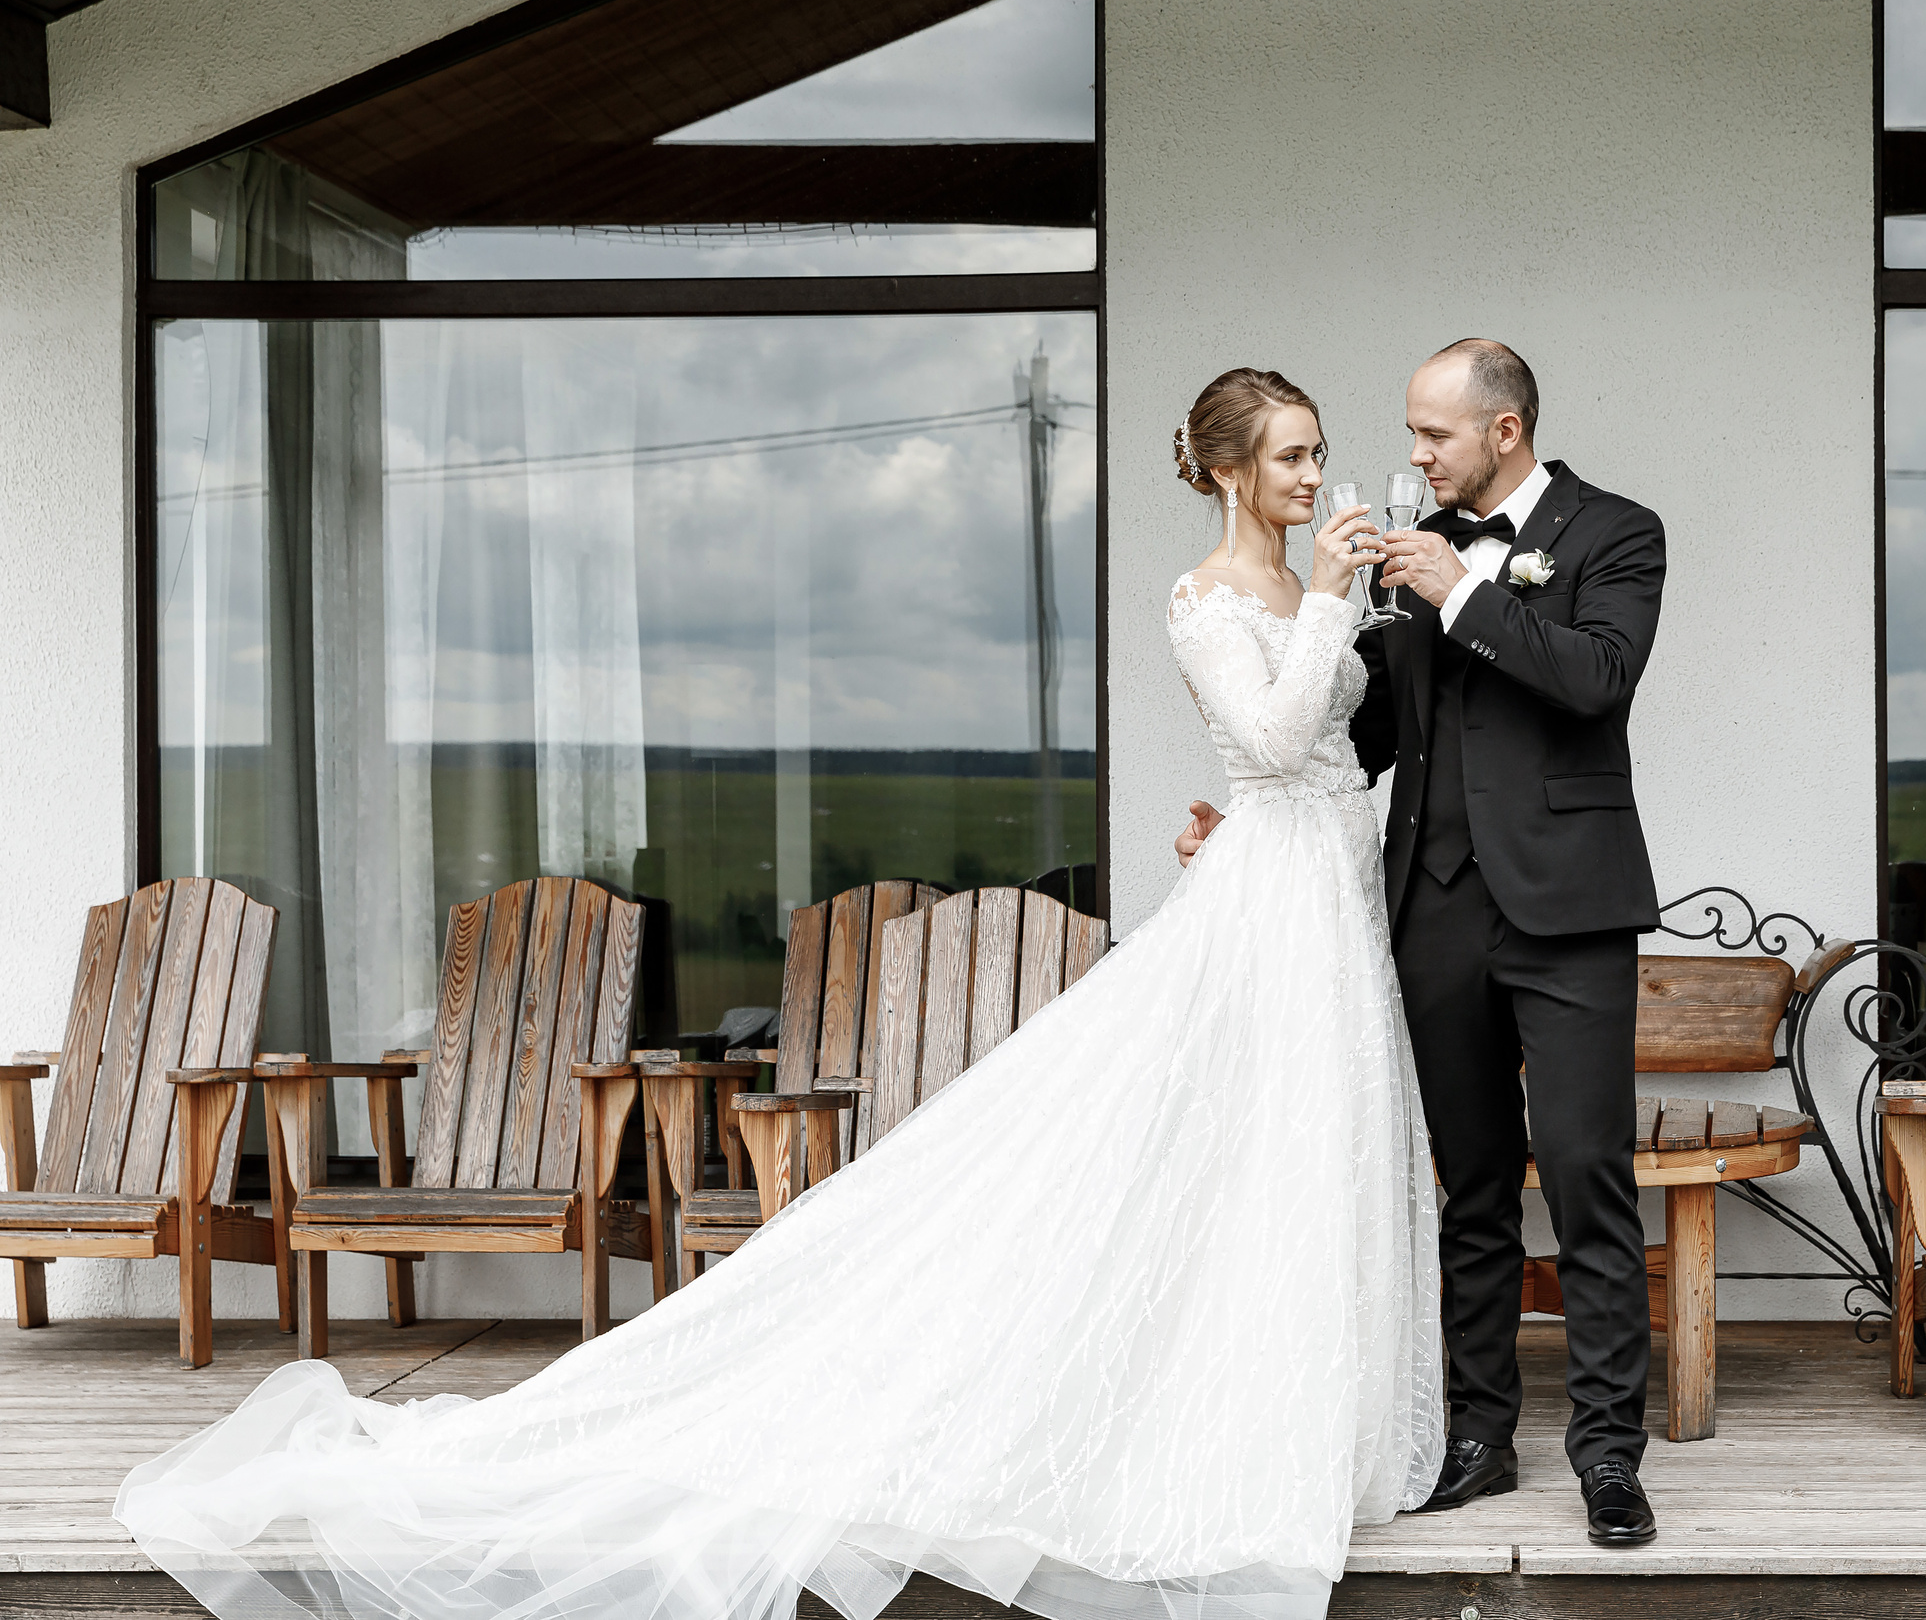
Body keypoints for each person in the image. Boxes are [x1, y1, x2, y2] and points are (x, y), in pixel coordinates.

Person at [114, 367, 1442, 1620]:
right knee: (1233, 1139)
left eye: (1317, 453)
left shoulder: (1311, 584)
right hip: (1272, 893)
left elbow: (1334, 743)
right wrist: (1330, 600)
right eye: (1289, 455)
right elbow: (1270, 740)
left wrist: (1356, 612)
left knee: (1307, 1146)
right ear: (1225, 469)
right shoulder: (1208, 593)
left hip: (1327, 883)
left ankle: (1304, 1418)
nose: (1313, 475)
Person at [1178, 340, 1666, 1546]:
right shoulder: (1406, 554)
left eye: (1431, 435)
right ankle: (1478, 1439)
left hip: (1569, 913)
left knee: (1591, 1184)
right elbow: (1364, 727)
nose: (1410, 456)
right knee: (1472, 1191)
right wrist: (1244, 831)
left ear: (1502, 431)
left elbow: (1596, 678)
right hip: (1430, 912)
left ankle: (1607, 1456)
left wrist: (1463, 593)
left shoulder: (1616, 531)